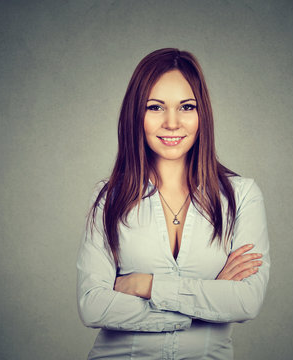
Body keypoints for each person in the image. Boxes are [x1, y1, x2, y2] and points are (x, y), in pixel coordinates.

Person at [77, 48, 270, 359]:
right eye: (155, 107)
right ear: (135, 115)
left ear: (201, 113)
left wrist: (145, 284)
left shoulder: (242, 195)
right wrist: (207, 299)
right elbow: (93, 306)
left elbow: (246, 301)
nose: (171, 122)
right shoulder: (109, 198)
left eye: (186, 106)